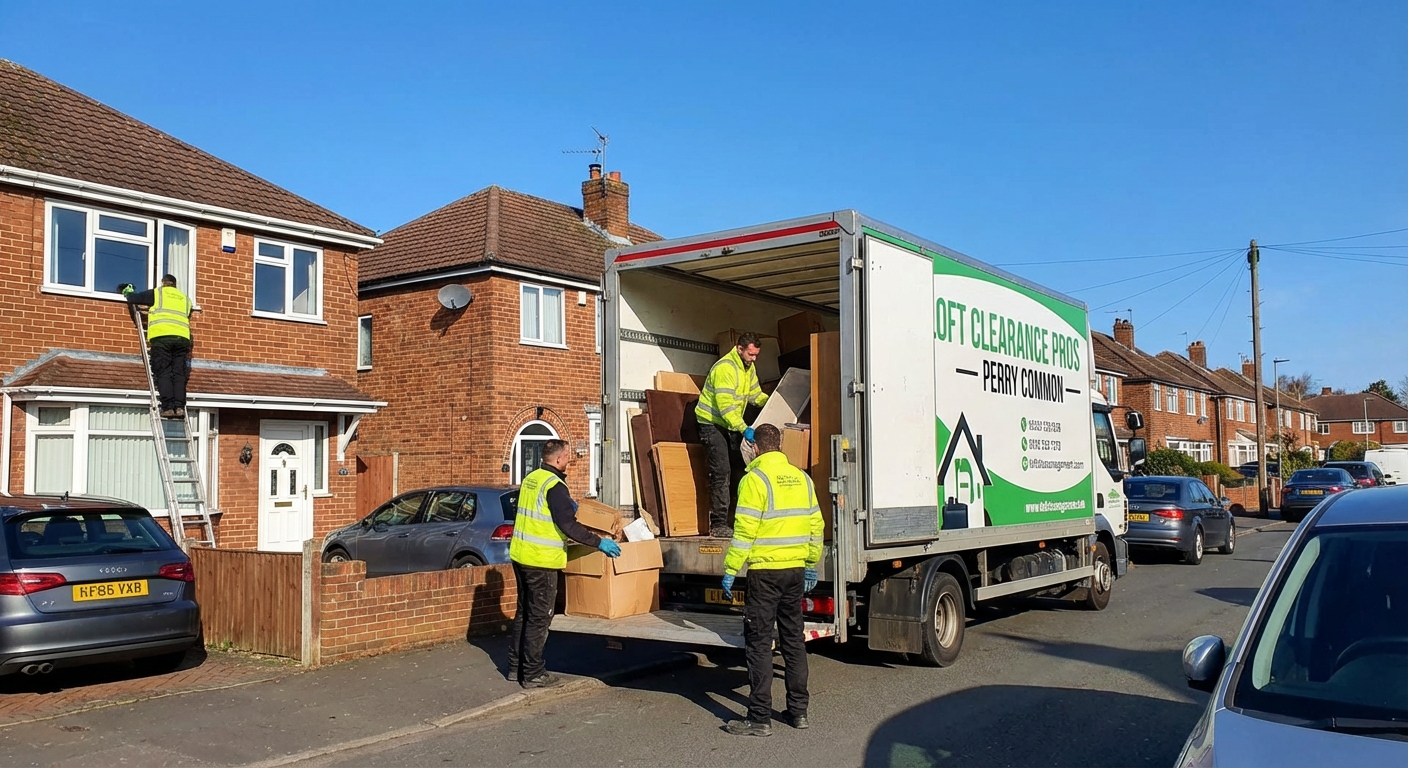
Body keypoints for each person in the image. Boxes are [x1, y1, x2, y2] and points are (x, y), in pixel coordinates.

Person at [719, 423, 824, 737]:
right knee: (793, 641)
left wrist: (730, 570)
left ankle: (760, 718)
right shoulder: (803, 478)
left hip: (765, 575)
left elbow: (745, 532)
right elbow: (816, 524)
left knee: (760, 644)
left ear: (755, 447)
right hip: (794, 573)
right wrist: (809, 562)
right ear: (780, 444)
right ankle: (798, 712)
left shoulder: (755, 479)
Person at [507, 438, 621, 689]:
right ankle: (534, 673)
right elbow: (567, 525)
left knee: (524, 613)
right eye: (568, 456)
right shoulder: (555, 485)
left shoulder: (532, 478)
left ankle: (516, 668)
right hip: (542, 560)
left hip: (521, 555)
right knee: (540, 617)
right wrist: (598, 542)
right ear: (558, 459)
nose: (569, 460)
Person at [695, 332, 770, 538]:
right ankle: (718, 524)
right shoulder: (725, 368)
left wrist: (771, 402)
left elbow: (755, 395)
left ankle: (735, 519)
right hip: (711, 423)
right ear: (739, 349)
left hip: (730, 423)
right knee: (721, 472)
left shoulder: (748, 368)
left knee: (740, 469)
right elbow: (726, 407)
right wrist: (743, 428)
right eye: (751, 354)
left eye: (756, 355)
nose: (754, 359)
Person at [120, 275, 193, 419]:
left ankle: (168, 408)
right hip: (182, 338)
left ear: (163, 283)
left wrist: (127, 291)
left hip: (162, 337)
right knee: (178, 374)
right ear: (175, 285)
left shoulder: (157, 293)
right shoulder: (186, 299)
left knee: (163, 372)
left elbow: (134, 298)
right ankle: (179, 407)